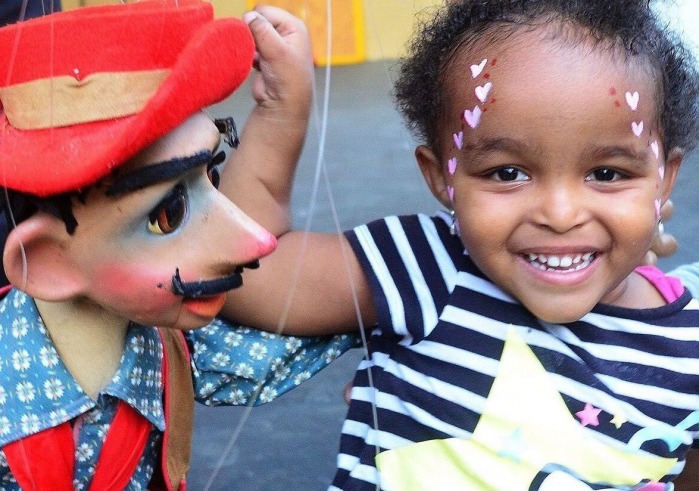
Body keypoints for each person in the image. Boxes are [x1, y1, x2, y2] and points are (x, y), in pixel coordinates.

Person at [220, 0, 699, 489]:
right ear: (440, 177)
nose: (560, 215)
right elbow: (249, 278)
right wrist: (283, 113)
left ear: (664, 180)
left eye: (607, 173)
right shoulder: (428, 267)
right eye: (507, 173)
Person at [0, 2, 354, 489]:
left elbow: (283, 341)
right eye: (168, 215)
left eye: (211, 172)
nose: (256, 239)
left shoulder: (170, 350)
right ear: (46, 263)